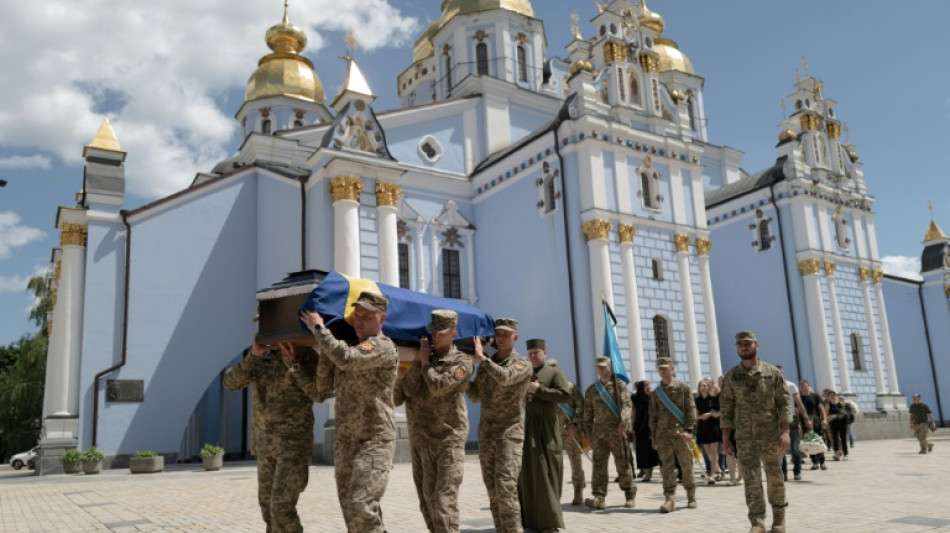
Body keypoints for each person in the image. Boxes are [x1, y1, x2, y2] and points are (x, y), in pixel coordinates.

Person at [300, 291, 398, 533]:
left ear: (382, 319)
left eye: (367, 316)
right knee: (353, 515)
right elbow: (320, 390)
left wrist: (319, 329)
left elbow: (347, 358)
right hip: (345, 443)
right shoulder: (345, 348)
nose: (360, 320)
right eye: (357, 315)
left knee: (361, 506)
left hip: (373, 440)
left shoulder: (382, 346)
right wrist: (298, 362)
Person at [223, 336, 319, 533]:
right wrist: (254, 355)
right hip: (265, 444)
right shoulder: (260, 358)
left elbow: (319, 393)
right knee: (268, 510)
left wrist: (294, 365)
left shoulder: (307, 355)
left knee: (281, 508)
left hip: (293, 445)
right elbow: (230, 383)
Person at [393, 309, 473, 533]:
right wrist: (407, 370)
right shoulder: (422, 359)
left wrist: (425, 362)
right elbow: (399, 397)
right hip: (421, 441)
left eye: (441, 333)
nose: (435, 337)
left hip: (448, 439)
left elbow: (439, 387)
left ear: (453, 334)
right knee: (427, 502)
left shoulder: (462, 361)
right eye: (432, 333)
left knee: (443, 501)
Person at [720, 331, 792, 533]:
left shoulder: (772, 373)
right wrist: (726, 438)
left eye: (748, 344)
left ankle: (779, 519)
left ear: (756, 346)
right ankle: (757, 521)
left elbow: (784, 403)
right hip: (744, 437)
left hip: (771, 435)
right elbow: (726, 409)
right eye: (740, 344)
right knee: (751, 480)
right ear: (737, 348)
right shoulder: (731, 376)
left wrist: (785, 431)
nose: (744, 347)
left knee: (775, 478)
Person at [466, 318, 531, 533]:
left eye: (506, 334)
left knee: (505, 488)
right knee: (493, 490)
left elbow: (506, 378)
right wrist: (463, 373)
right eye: (498, 334)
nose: (501, 338)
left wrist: (482, 359)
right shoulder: (488, 363)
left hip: (509, 434)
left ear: (515, 337)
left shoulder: (521, 363)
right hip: (487, 434)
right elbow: (476, 396)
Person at [518, 338, 570, 532]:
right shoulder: (524, 372)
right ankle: (529, 519)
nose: (533, 356)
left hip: (547, 428)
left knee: (547, 470)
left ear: (544, 353)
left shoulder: (554, 372)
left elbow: (565, 395)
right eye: (530, 353)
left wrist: (540, 390)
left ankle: (549, 521)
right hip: (527, 426)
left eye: (536, 352)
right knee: (528, 473)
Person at [582, 356, 635, 510]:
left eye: (603, 367)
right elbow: (588, 412)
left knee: (623, 463)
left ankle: (629, 493)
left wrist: (624, 423)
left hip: (617, 431)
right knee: (598, 464)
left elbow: (626, 405)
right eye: (598, 367)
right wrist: (588, 433)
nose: (601, 370)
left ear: (610, 367)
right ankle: (599, 496)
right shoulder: (592, 389)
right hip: (599, 433)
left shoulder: (620, 385)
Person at [649, 356, 697, 513]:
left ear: (672, 368)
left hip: (681, 434)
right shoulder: (656, 393)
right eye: (660, 368)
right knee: (667, 468)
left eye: (665, 367)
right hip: (663, 435)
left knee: (686, 466)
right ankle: (669, 498)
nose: (662, 371)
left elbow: (690, 409)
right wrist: (654, 437)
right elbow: (653, 416)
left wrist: (689, 430)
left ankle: (691, 495)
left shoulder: (682, 387)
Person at [558, 378, 587, 505]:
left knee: (575, 463)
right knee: (553, 465)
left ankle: (578, 491)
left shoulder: (570, 387)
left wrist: (575, 424)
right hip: (552, 431)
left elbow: (581, 407)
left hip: (570, 431)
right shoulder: (544, 387)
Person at [777, 365, 807, 481]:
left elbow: (799, 403)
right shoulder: (771, 387)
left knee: (794, 447)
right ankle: (783, 472)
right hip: (778, 420)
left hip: (791, 419)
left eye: (781, 372)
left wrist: (805, 418)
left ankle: (797, 471)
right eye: (777, 372)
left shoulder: (791, 385)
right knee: (781, 448)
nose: (780, 374)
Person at [695, 377, 721, 484]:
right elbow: (695, 415)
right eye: (701, 386)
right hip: (703, 427)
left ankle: (712, 474)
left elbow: (719, 412)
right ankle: (717, 470)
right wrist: (702, 417)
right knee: (708, 452)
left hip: (713, 425)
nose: (703, 388)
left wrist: (710, 414)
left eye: (705, 386)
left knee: (714, 451)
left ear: (708, 387)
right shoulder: (696, 400)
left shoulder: (714, 399)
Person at [632, 380, 659, 482]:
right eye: (647, 386)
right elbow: (633, 411)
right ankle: (647, 473)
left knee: (652, 449)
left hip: (651, 425)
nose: (649, 387)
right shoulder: (635, 397)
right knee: (642, 450)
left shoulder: (652, 397)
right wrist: (632, 424)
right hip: (640, 426)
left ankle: (650, 472)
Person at [799, 379, 828, 471]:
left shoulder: (815, 396)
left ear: (808, 387)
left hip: (816, 422)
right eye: (802, 386)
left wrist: (824, 419)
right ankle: (814, 462)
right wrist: (799, 424)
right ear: (800, 388)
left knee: (819, 441)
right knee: (810, 443)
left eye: (805, 386)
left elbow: (822, 409)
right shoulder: (798, 398)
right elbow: (797, 412)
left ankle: (822, 462)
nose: (804, 388)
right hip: (805, 423)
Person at [826, 391, 849, 461]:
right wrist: (832, 416)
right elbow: (826, 415)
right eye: (830, 395)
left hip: (842, 423)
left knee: (843, 438)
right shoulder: (828, 404)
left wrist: (843, 409)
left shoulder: (841, 403)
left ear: (836, 396)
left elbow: (846, 412)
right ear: (828, 397)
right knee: (835, 438)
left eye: (833, 395)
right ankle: (837, 453)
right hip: (833, 424)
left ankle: (845, 454)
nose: (832, 396)